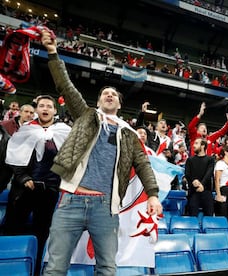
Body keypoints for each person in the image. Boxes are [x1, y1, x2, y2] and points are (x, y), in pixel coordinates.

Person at [40, 30, 162, 275]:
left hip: (106, 208)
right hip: (72, 200)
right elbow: (65, 86)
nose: (109, 94)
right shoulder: (86, 116)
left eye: (114, 94)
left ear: (119, 104)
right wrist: (53, 53)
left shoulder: (128, 133)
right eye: (105, 93)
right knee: (55, 268)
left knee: (107, 268)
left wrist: (153, 195)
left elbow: (144, 165)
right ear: (98, 102)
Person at [4, 95, 71, 274]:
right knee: (12, 229)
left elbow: (71, 160)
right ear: (37, 109)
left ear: (55, 111)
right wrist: (24, 178)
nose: (45, 109)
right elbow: (13, 158)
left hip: (50, 191)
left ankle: (36, 270)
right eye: (42, 106)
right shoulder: (25, 130)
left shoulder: (64, 131)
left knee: (42, 233)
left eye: (49, 106)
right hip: (23, 190)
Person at [185, 137, 215, 216]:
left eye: (196, 143)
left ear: (203, 146)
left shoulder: (210, 159)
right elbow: (187, 175)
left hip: (207, 192)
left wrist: (202, 184)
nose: (193, 146)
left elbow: (209, 173)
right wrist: (193, 181)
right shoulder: (190, 160)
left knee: (209, 217)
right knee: (192, 217)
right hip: (193, 192)